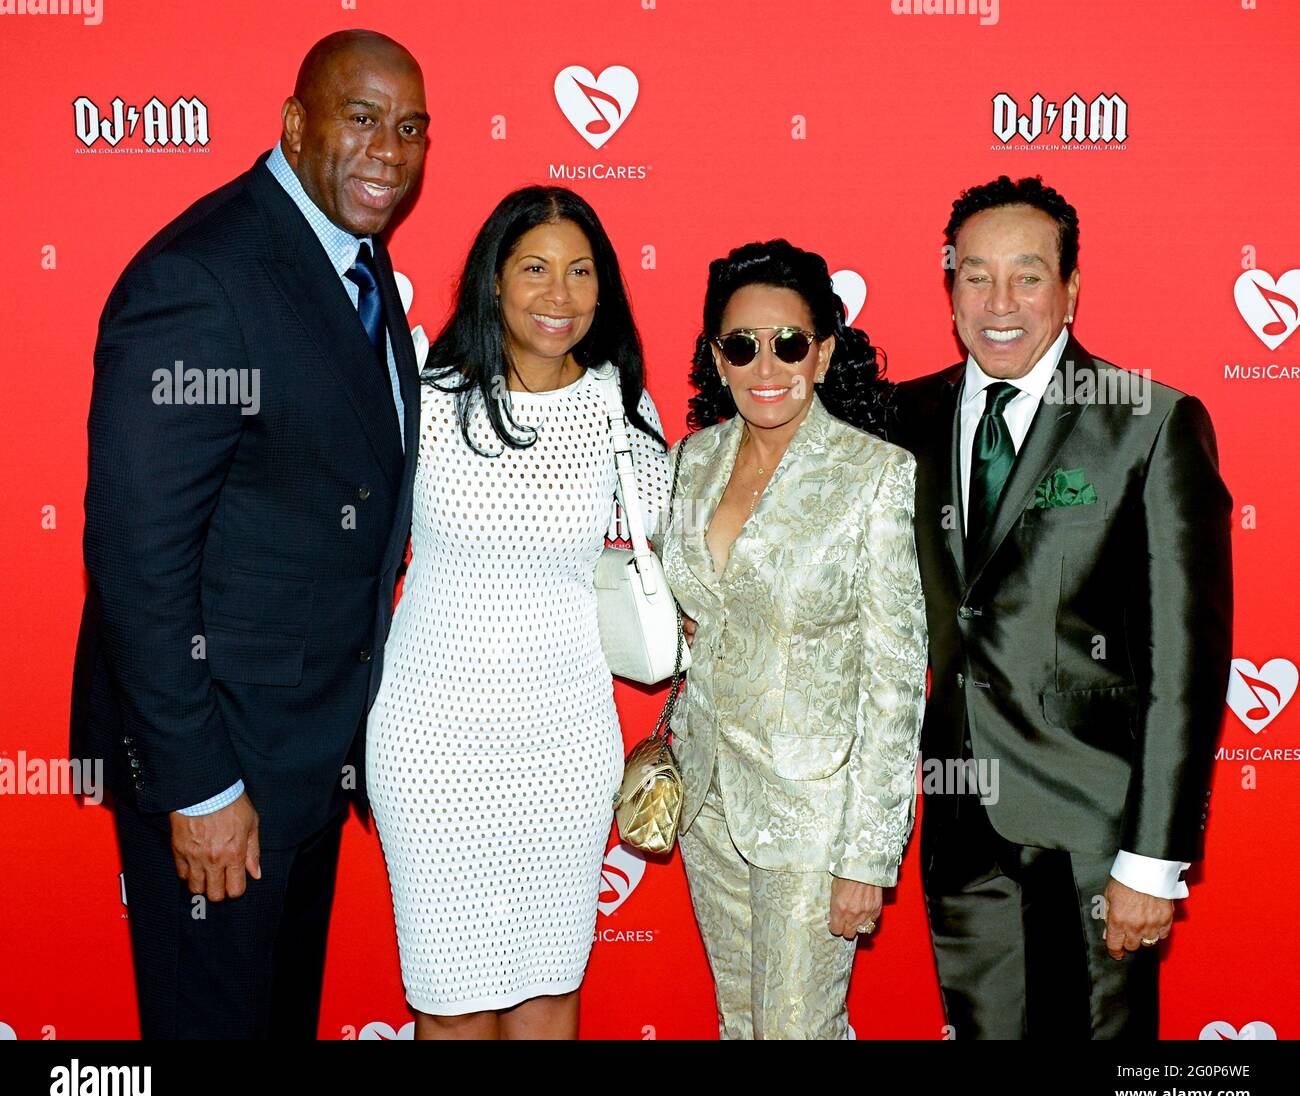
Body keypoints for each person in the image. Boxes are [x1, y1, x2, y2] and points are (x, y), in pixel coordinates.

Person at [69, 30, 428, 1039]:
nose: (388, 151)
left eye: (409, 129)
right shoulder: (205, 276)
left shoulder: (351, 265)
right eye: (361, 119)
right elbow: (140, 558)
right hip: (219, 762)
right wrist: (200, 784)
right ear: (294, 124)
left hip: (307, 759)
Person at [891, 175, 1233, 1039]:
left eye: (1028, 274)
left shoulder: (1149, 424)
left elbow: (1184, 668)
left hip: (1095, 835)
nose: (999, 302)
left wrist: (1151, 862)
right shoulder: (906, 417)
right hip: (963, 822)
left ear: (1071, 289)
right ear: (950, 289)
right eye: (975, 275)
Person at [365, 185, 670, 1040]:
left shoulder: (619, 407)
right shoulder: (423, 392)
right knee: (450, 1000)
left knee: (548, 992)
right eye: (534, 268)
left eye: (580, 272)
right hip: (431, 740)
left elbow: (676, 549)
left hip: (564, 742)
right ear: (493, 280)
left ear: (604, 288)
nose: (558, 295)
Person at [657, 239, 928, 1039]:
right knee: (742, 1024)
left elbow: (894, 676)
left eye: (790, 342)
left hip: (815, 814)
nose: (765, 364)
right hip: (709, 801)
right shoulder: (693, 459)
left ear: (825, 351)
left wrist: (868, 855)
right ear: (717, 355)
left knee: (796, 1030)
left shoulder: (874, 474)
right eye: (741, 345)